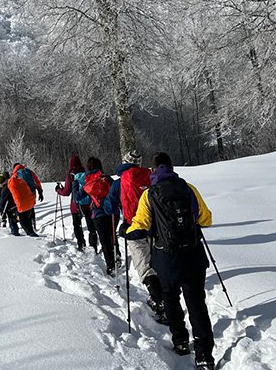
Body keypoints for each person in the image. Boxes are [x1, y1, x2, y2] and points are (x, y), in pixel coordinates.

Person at [126, 152, 215, 369]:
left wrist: (127, 231)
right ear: (171, 167)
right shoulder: (188, 188)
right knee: (196, 304)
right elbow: (206, 219)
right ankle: (204, 355)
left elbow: (141, 225)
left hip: (165, 258)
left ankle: (181, 341)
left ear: (153, 170)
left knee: (171, 299)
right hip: (193, 256)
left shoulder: (149, 195)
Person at [113, 150, 166, 323]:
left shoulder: (121, 180)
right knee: (156, 260)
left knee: (143, 263)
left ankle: (159, 301)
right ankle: (165, 296)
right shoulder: (150, 175)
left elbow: (109, 203)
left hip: (133, 226)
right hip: (154, 225)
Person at [83, 157, 120, 276]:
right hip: (112, 212)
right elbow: (117, 191)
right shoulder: (107, 178)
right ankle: (117, 254)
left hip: (98, 214)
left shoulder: (87, 181)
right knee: (112, 234)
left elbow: (79, 196)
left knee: (104, 240)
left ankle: (111, 265)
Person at [57, 155, 98, 253]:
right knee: (91, 227)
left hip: (76, 206)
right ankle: (93, 246)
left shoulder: (70, 176)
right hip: (88, 204)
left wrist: (58, 190)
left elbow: (66, 192)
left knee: (77, 225)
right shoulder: (86, 173)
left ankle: (81, 244)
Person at [9, 163, 40, 237]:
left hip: (22, 198)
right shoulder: (29, 171)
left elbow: (13, 188)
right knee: (29, 211)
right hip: (31, 195)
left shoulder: (15, 175)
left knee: (21, 216)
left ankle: (28, 232)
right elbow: (37, 180)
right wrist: (40, 190)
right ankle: (32, 223)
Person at [0, 172, 21, 236]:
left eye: (0, 184)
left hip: (11, 206)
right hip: (16, 204)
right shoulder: (10, 184)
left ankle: (15, 233)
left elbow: (2, 201)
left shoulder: (5, 188)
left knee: (12, 220)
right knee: (14, 219)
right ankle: (15, 231)